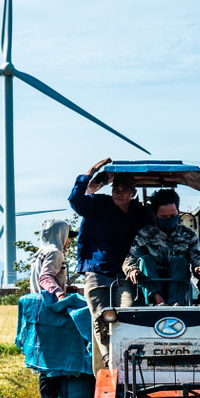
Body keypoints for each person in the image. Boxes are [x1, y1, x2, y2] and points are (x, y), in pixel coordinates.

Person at [69, 158, 151, 370]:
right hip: (97, 270)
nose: (118, 193)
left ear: (133, 193)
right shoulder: (99, 204)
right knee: (100, 318)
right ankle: (109, 360)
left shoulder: (139, 213)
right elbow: (76, 200)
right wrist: (91, 174)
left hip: (123, 273)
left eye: (123, 190)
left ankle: (128, 359)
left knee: (126, 312)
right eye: (115, 188)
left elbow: (155, 230)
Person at [29, 219, 79, 398]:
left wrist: (67, 288)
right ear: (60, 235)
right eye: (67, 236)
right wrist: (60, 294)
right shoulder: (54, 253)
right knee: (51, 362)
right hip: (50, 312)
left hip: (40, 310)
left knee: (47, 360)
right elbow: (46, 278)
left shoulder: (40, 252)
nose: (68, 241)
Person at [122, 189, 200, 305]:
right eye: (164, 217)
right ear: (155, 215)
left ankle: (176, 302)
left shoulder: (188, 235)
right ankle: (158, 300)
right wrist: (132, 270)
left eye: (173, 215)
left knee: (180, 261)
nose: (169, 219)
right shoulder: (145, 234)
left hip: (178, 281)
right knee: (144, 260)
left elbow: (198, 256)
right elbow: (130, 259)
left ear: (178, 212)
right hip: (152, 280)